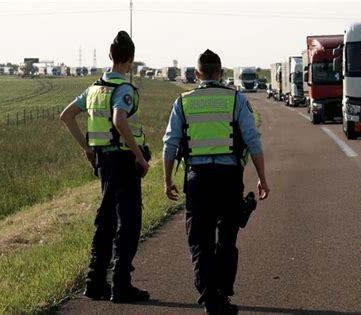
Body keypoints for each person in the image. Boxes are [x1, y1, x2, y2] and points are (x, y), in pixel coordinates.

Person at [163, 49, 270, 315]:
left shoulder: (183, 102)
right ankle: (221, 291)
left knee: (200, 239)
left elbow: (170, 144)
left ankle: (210, 297)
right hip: (228, 179)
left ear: (197, 74)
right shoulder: (236, 100)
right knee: (227, 236)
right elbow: (252, 139)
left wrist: (167, 180)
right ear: (221, 74)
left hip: (197, 179)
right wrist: (262, 178)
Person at [60, 30, 150, 303]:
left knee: (106, 220)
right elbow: (119, 120)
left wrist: (87, 148)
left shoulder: (93, 89)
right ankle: (121, 284)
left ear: (110, 56)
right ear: (131, 59)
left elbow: (66, 116)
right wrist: (140, 156)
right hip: (124, 161)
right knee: (129, 223)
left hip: (103, 162)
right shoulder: (124, 89)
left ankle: (95, 281)